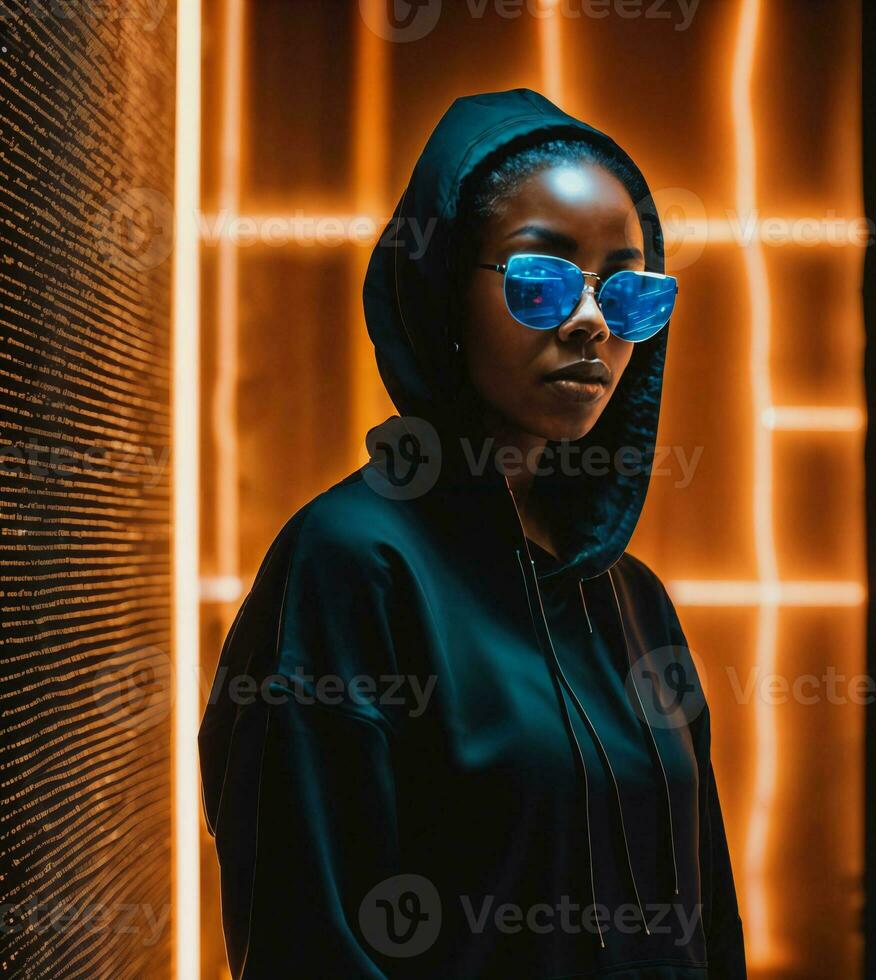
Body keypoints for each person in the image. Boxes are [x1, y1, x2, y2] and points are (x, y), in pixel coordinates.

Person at [198, 87, 747, 979]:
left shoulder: (629, 597)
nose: (591, 321)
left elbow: (708, 921)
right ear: (445, 287)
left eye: (630, 292)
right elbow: (307, 936)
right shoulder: (351, 565)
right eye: (541, 279)